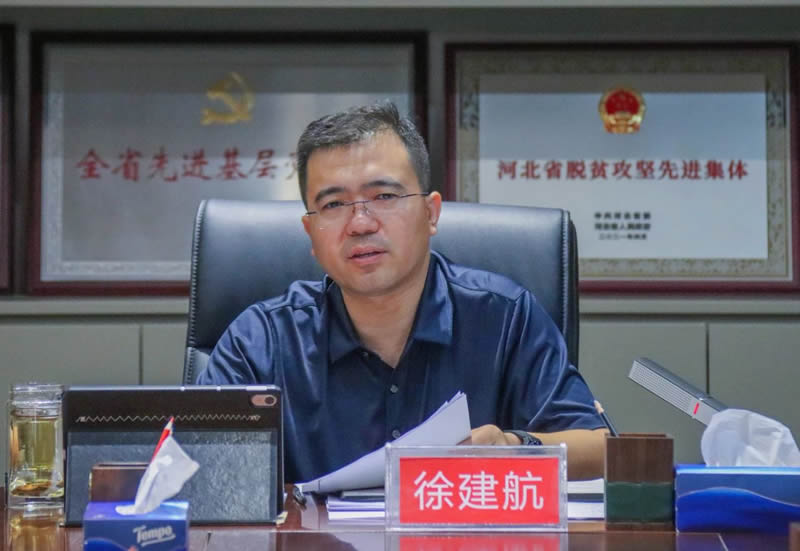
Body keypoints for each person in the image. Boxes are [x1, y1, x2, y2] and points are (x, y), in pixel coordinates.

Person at [196, 102, 608, 482]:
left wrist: (514, 447)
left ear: (430, 213)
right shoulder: (261, 340)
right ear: (310, 232)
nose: (360, 224)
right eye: (334, 205)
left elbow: (602, 449)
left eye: (384, 196)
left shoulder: (504, 316)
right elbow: (199, 473)